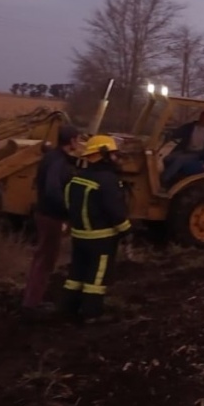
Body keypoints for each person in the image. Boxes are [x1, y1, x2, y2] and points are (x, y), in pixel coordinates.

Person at [60, 134, 133, 325]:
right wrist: (126, 231)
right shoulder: (107, 180)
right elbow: (115, 210)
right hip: (102, 240)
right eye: (114, 154)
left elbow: (68, 204)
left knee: (76, 273)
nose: (117, 158)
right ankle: (92, 314)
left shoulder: (77, 179)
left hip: (79, 236)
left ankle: (68, 309)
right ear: (103, 154)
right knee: (96, 278)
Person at [20, 124, 80, 319]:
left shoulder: (52, 157)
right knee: (46, 260)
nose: (79, 143)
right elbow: (53, 190)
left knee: (42, 258)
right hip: (52, 217)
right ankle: (31, 306)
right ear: (71, 141)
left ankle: (32, 300)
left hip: (44, 213)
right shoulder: (58, 162)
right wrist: (67, 211)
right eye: (77, 140)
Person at [160, 110, 204, 188]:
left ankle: (164, 180)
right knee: (167, 159)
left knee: (180, 160)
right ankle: (172, 179)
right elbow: (178, 132)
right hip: (186, 150)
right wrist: (170, 133)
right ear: (201, 118)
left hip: (199, 154)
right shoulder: (190, 127)